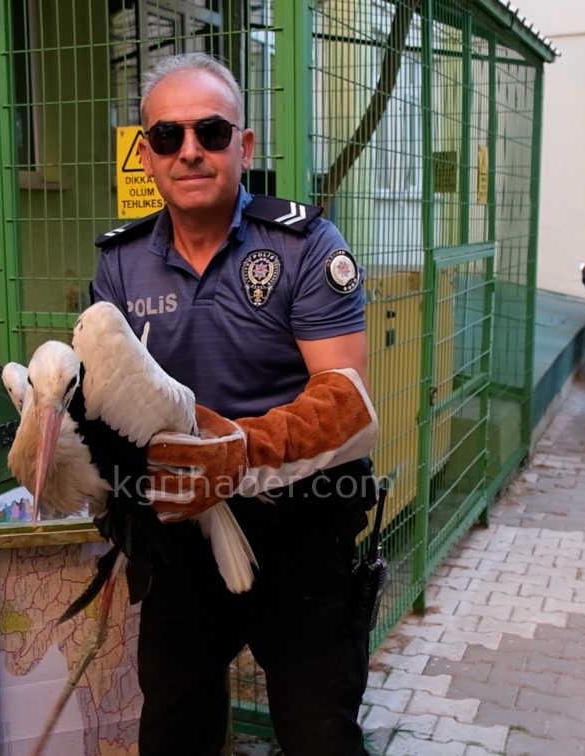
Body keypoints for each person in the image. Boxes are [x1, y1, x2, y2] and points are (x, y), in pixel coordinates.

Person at [90, 53, 379, 755]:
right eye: (168, 136)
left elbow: (345, 400)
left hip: (301, 528)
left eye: (211, 132)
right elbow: (106, 402)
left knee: (318, 735)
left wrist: (240, 454)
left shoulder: (305, 246)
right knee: (174, 731)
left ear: (243, 146)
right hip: (179, 537)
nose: (189, 151)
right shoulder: (121, 262)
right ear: (147, 154)